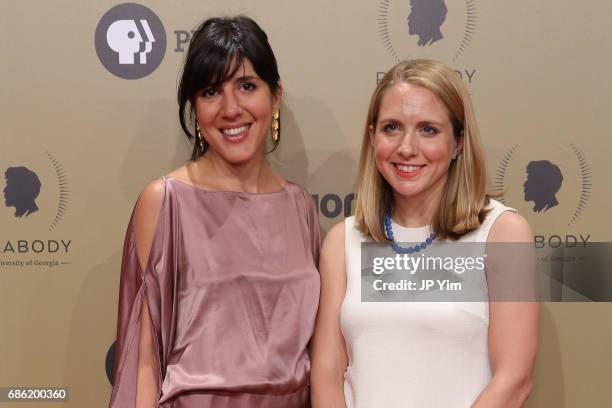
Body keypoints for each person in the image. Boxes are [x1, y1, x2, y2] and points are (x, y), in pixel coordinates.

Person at [109, 16, 320, 408]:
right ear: (195, 107)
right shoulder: (165, 201)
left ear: (275, 97)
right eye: (211, 91)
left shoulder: (301, 208)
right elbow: (142, 363)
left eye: (246, 86)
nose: (231, 109)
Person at [310, 59, 539, 407]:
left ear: (458, 141)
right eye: (391, 128)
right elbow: (327, 372)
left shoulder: (503, 233)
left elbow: (514, 380)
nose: (406, 148)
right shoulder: (343, 241)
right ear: (372, 137)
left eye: (428, 129)